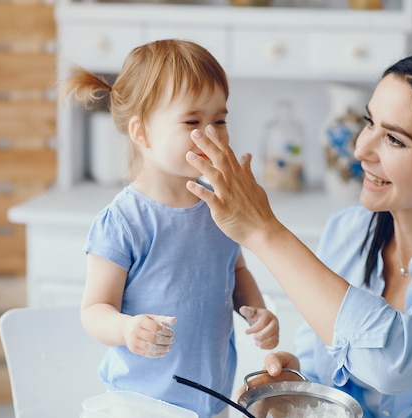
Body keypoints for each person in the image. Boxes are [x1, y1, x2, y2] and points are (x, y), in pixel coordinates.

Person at [184, 49, 412, 417]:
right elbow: (328, 368)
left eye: (394, 139)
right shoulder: (348, 230)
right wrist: (297, 384)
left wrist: (263, 230)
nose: (360, 149)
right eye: (370, 122)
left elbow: (393, 358)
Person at [62, 39, 279, 418]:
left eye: (220, 120)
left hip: (212, 400)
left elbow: (236, 268)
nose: (211, 134)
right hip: (139, 404)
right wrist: (127, 329)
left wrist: (256, 311)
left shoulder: (222, 204)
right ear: (142, 133)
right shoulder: (126, 221)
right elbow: (95, 310)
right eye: (193, 122)